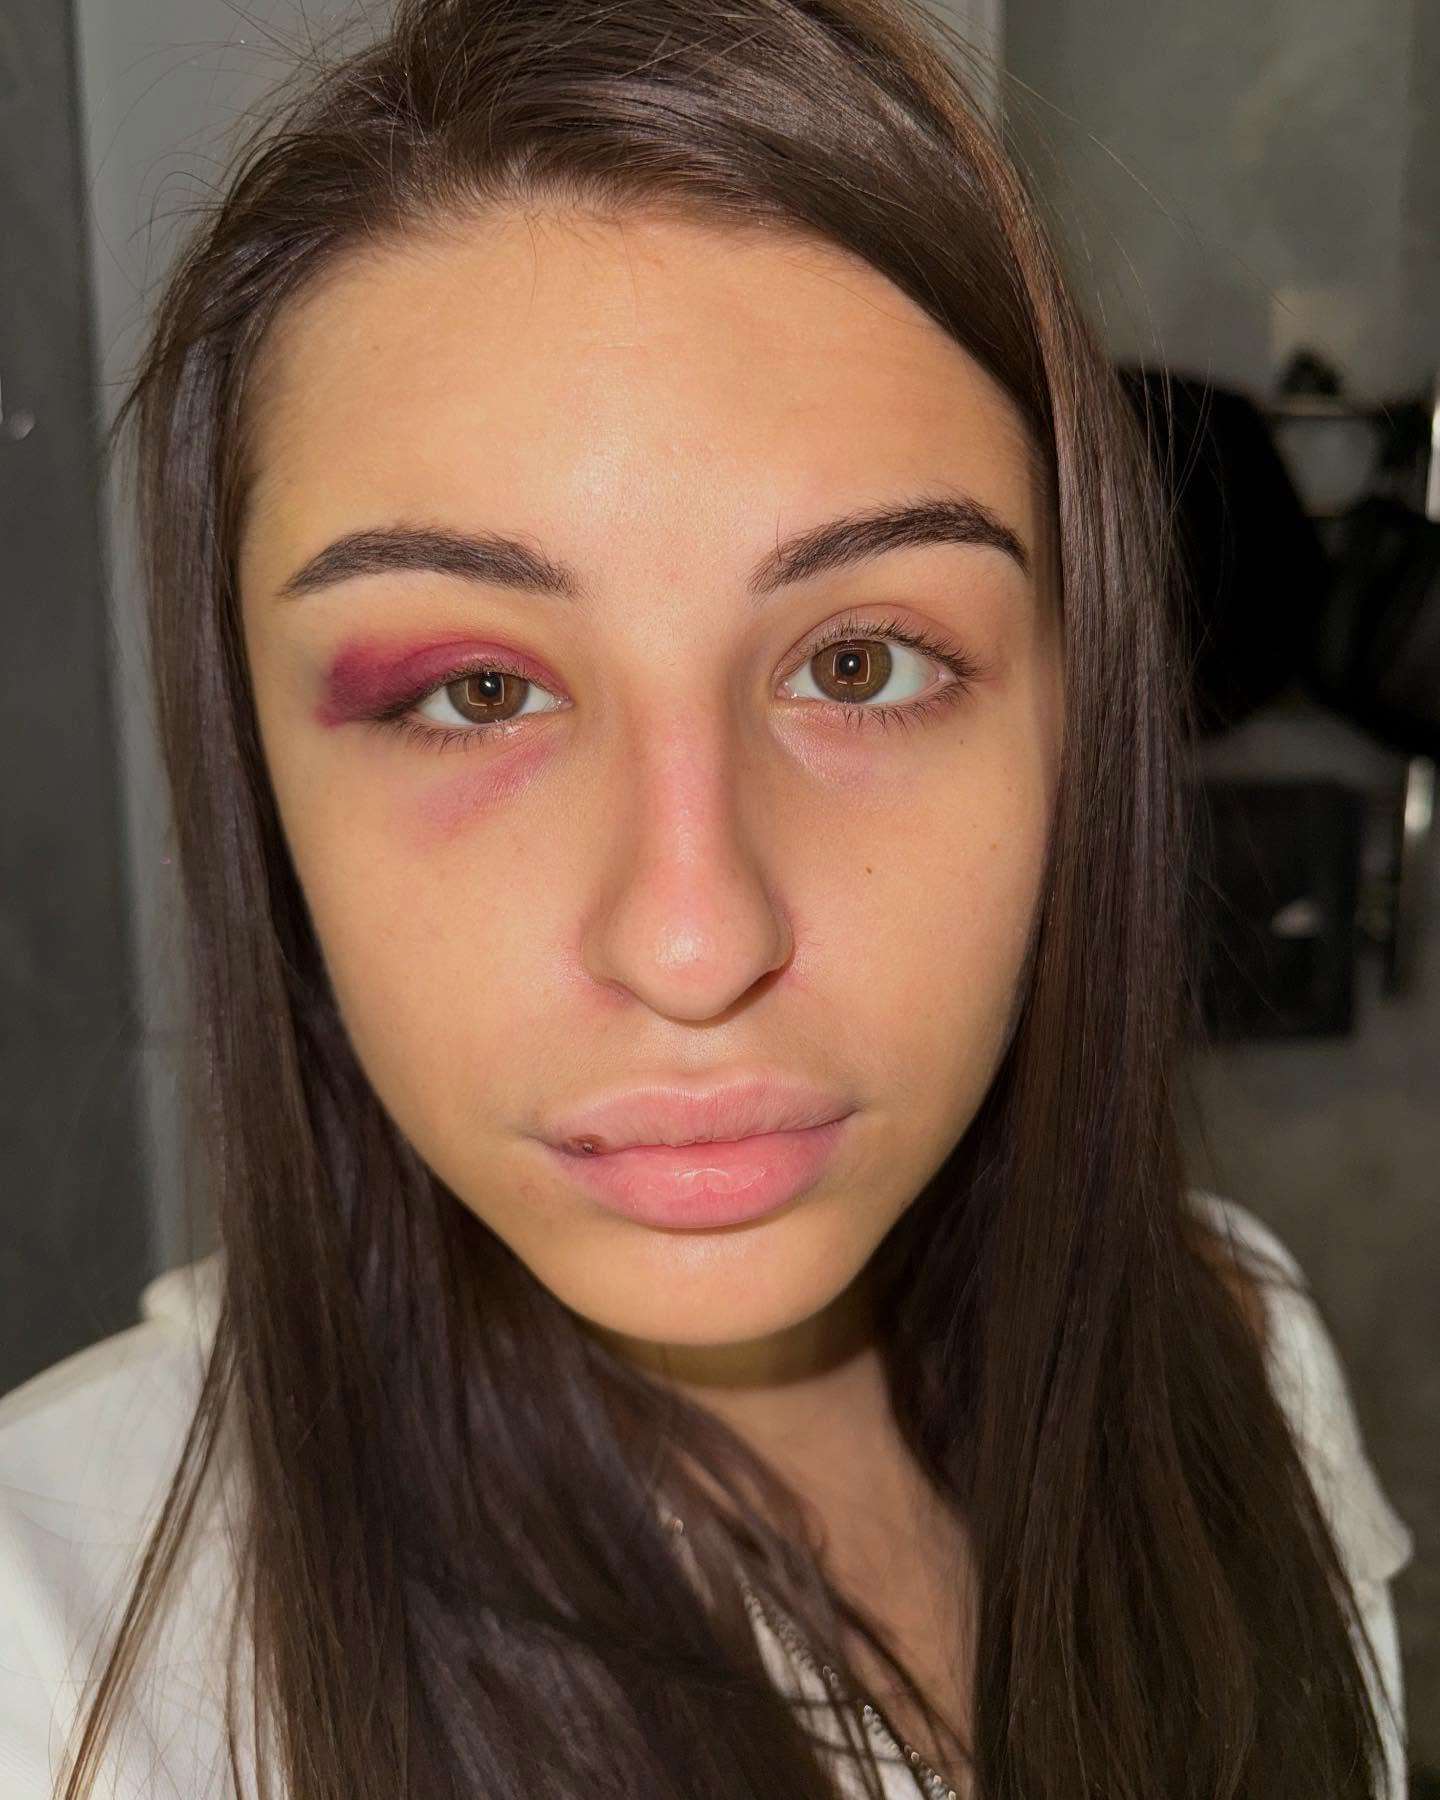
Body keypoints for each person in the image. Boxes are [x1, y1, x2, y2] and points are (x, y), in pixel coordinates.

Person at [0, 0, 1416, 1795]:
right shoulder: (58, 1654)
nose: (694, 940)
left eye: (859, 664)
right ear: (258, 775)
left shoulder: (1236, 1353)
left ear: (1081, 718)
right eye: (477, 692)